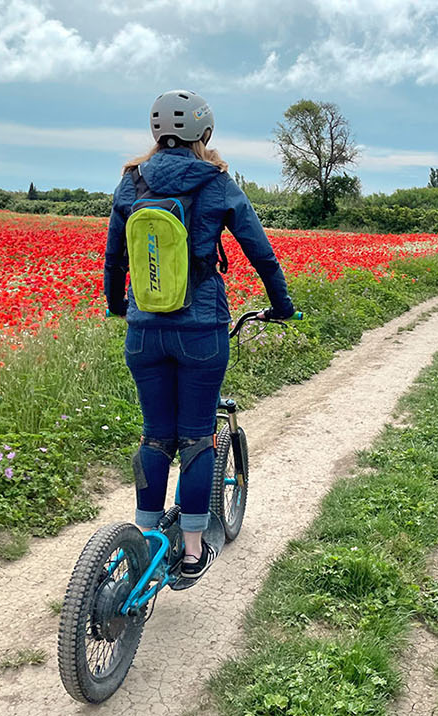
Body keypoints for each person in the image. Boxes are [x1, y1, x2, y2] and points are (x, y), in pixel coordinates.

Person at [104, 89, 296, 589]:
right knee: (194, 438)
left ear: (155, 133)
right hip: (202, 326)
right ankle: (191, 552)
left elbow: (115, 259)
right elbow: (260, 251)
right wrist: (282, 305)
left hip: (144, 330)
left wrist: (120, 306)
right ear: (204, 134)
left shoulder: (132, 181)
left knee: (154, 435)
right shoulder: (216, 182)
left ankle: (144, 541)